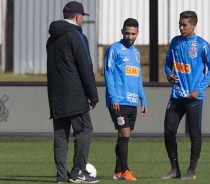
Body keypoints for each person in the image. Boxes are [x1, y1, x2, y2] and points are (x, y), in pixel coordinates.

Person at [46, 1, 99, 183]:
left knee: (61, 136)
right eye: (82, 17)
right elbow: (86, 66)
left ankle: (61, 177)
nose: (82, 20)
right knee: (85, 130)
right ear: (77, 16)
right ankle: (78, 172)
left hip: (56, 95)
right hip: (75, 95)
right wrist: (93, 95)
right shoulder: (76, 36)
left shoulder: (52, 38)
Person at [161, 11, 210, 180]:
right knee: (169, 131)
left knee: (194, 134)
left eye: (184, 25)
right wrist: (168, 74)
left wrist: (198, 90)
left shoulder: (202, 45)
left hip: (193, 98)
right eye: (180, 24)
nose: (181, 27)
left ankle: (191, 171)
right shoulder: (175, 42)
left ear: (193, 25)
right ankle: (174, 169)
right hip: (176, 96)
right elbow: (168, 64)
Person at [104, 18, 148, 181]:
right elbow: (108, 73)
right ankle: (126, 171)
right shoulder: (114, 49)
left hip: (131, 101)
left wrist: (143, 99)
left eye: (133, 34)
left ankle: (117, 171)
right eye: (127, 33)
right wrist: (113, 97)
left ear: (138, 33)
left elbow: (138, 78)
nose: (130, 36)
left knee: (123, 136)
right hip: (118, 101)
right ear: (122, 31)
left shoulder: (136, 53)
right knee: (125, 133)